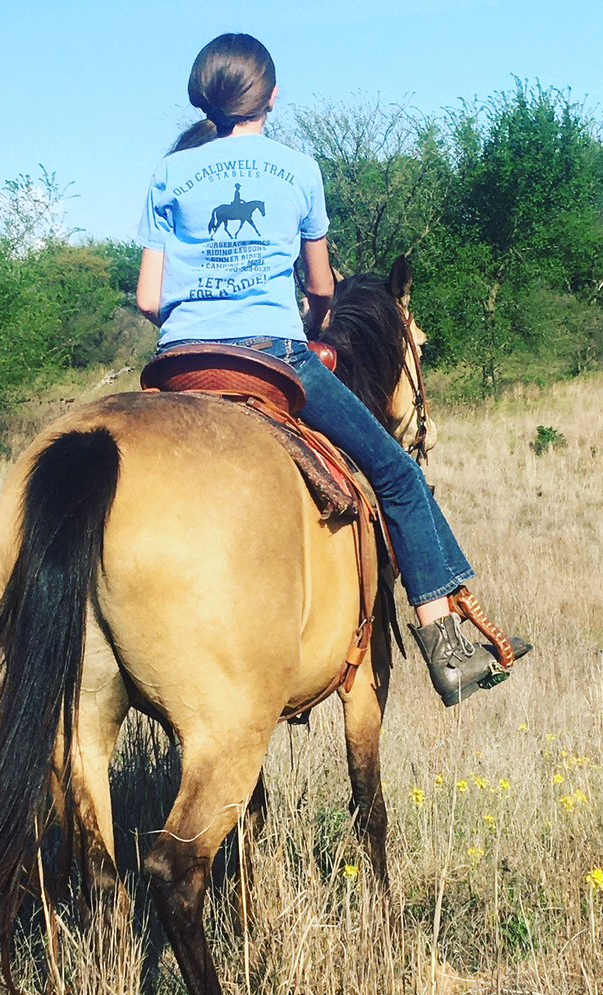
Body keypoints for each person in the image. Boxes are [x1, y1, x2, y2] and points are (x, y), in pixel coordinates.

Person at [136, 33, 529, 706]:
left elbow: (148, 298)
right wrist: (314, 320)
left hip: (177, 365)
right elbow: (322, 290)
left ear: (205, 99)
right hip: (270, 356)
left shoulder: (169, 176)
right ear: (272, 96)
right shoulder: (297, 171)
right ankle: (445, 648)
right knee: (398, 474)